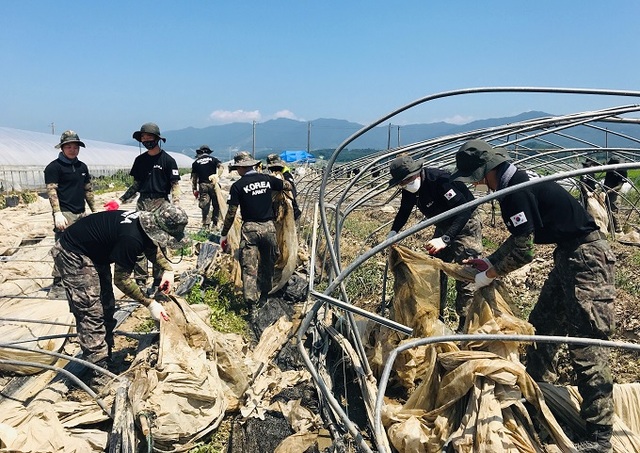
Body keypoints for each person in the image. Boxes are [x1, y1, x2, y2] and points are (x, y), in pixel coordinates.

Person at [451, 139, 615, 452]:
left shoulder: (514, 191)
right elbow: (519, 239)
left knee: (586, 347)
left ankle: (600, 436)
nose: (475, 183)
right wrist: (490, 261)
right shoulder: (515, 182)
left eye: (474, 176)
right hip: (568, 256)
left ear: (485, 171)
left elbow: (524, 252)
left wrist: (489, 275)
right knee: (542, 327)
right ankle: (538, 400)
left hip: (587, 260)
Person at [386, 154, 483, 329]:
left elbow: (463, 211)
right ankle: (438, 317)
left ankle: (465, 324)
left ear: (417, 173)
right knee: (437, 269)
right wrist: (394, 231)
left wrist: (445, 239)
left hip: (465, 224)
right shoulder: (410, 189)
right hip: (443, 225)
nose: (405, 185)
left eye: (407, 180)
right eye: (402, 183)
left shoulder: (440, 180)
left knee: (466, 272)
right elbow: (404, 209)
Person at [107, 122, 181, 293]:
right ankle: (140, 281)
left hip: (161, 204)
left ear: (157, 139)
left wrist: (176, 205)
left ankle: (158, 279)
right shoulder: (140, 161)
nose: (146, 140)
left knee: (160, 243)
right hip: (142, 204)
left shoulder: (168, 160)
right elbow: (136, 186)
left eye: (149, 137)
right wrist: (120, 200)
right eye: (143, 137)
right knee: (138, 243)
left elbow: (175, 185)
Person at [219, 151, 292, 310]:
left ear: (240, 167)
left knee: (249, 268)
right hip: (268, 228)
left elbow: (231, 213)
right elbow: (287, 186)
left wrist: (224, 234)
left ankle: (251, 306)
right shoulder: (267, 179)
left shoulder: (237, 186)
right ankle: (264, 297)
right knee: (267, 264)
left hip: (250, 230)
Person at [44, 130, 97, 296]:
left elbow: (87, 190)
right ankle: (58, 284)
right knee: (63, 247)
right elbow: (52, 191)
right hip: (65, 213)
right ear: (62, 148)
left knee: (82, 247)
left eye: (75, 146)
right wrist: (57, 213)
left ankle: (77, 278)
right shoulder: (54, 167)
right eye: (69, 146)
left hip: (80, 212)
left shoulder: (82, 167)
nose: (72, 149)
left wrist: (94, 211)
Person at [191, 145, 223, 231]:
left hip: (203, 185)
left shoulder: (196, 162)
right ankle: (215, 224)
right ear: (208, 152)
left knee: (205, 205)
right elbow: (221, 167)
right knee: (216, 205)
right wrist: (217, 176)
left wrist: (194, 189)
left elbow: (194, 177)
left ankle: (206, 224)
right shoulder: (213, 159)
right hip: (214, 184)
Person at [266, 153, 302, 220]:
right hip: (277, 213)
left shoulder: (286, 176)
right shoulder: (271, 178)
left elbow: (293, 192)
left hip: (290, 212)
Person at [603, 157, 627, 234]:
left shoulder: (622, 170)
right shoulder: (610, 169)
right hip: (606, 191)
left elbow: (620, 185)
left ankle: (618, 228)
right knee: (606, 208)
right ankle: (610, 227)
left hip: (615, 192)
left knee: (613, 209)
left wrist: (610, 190)